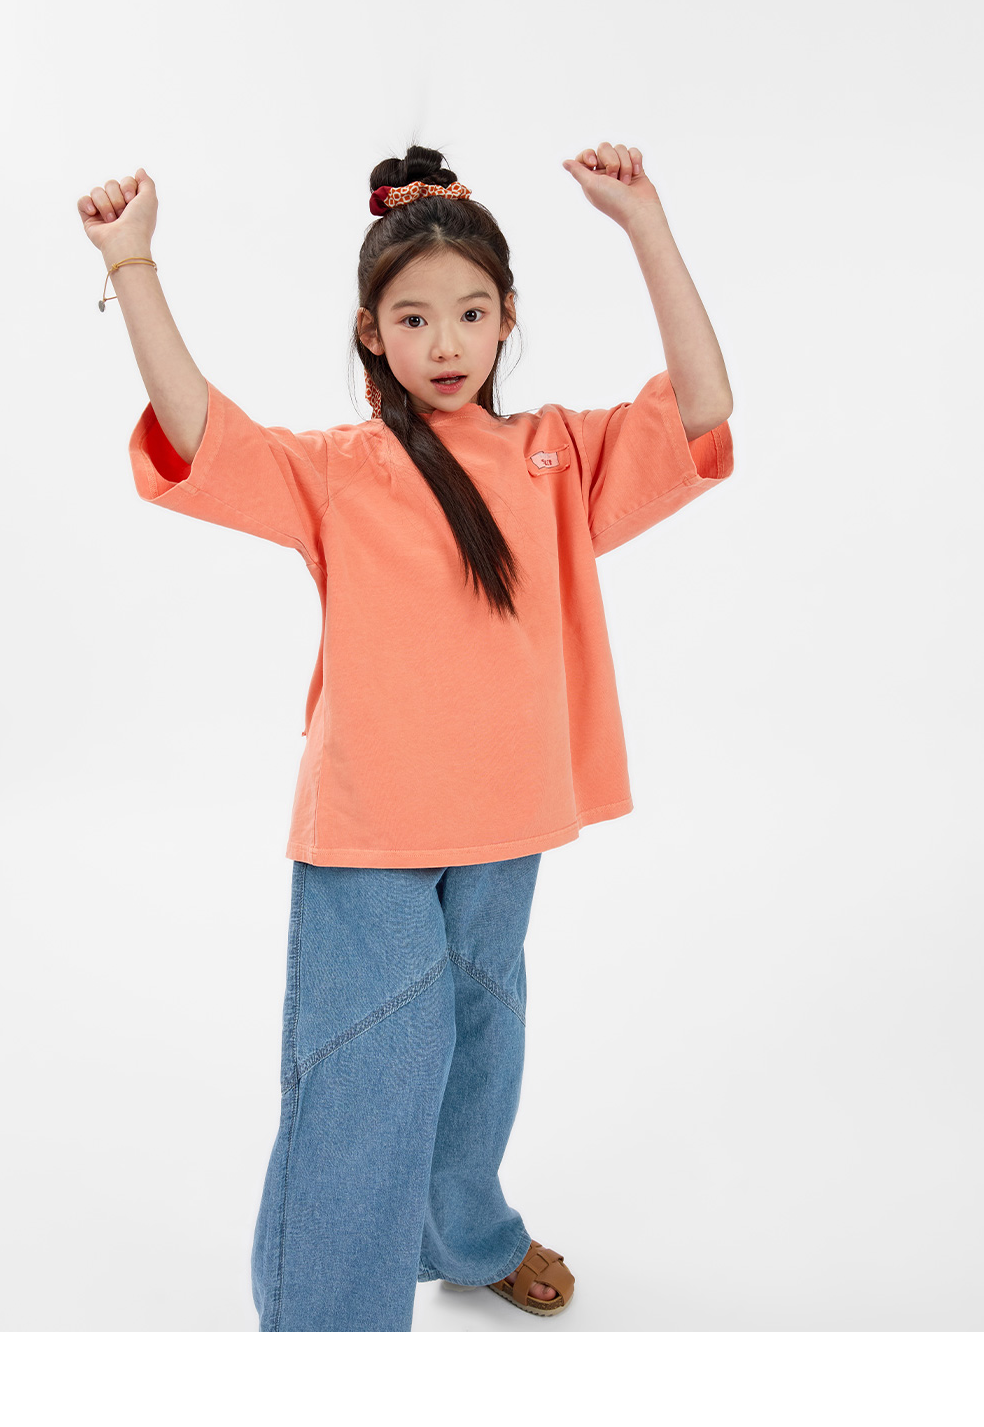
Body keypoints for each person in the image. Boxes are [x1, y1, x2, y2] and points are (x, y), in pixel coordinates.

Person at [77, 141, 734, 1332]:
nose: (446, 342)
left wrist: (645, 223)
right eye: (415, 318)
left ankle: (463, 1234)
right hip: (372, 833)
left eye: (472, 313)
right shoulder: (340, 471)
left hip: (510, 818)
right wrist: (133, 263)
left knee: (481, 1048)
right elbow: (200, 431)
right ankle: (328, 1335)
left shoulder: (553, 456)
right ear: (371, 334)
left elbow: (702, 406)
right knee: (367, 1069)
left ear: (507, 320)